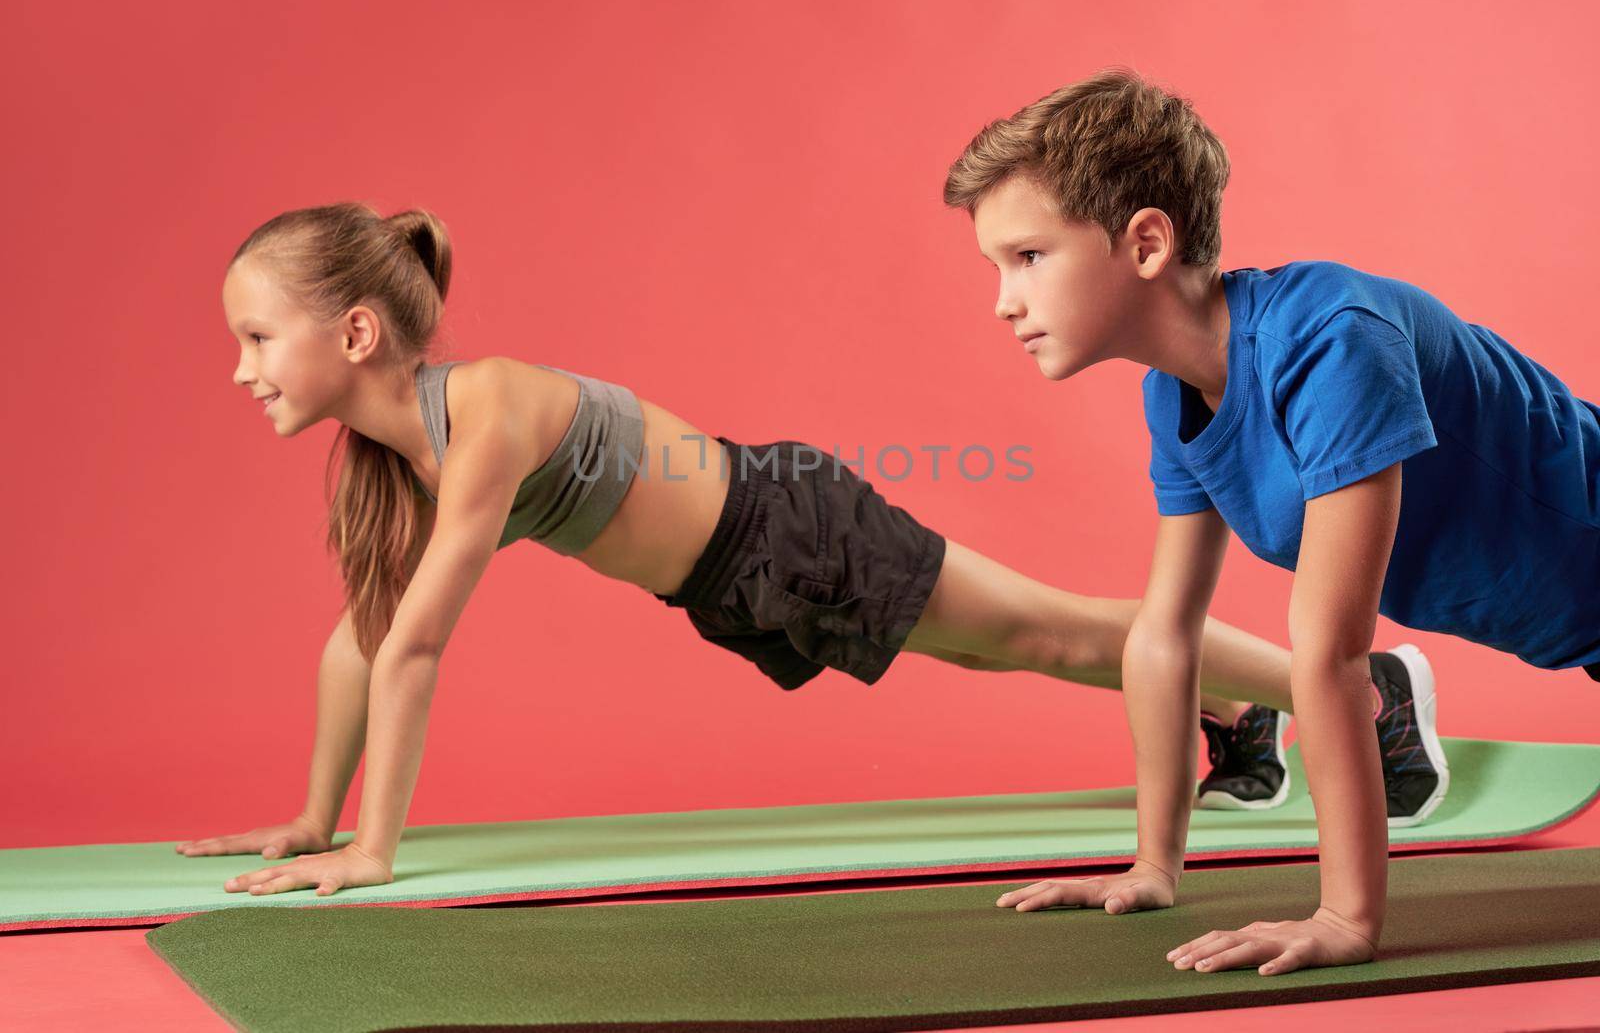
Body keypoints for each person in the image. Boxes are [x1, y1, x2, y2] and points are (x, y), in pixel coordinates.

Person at [183, 202, 1416, 896]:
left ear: (353, 330)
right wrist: (308, 817)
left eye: (256, 336)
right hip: (737, 579)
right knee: (1026, 643)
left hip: (785, 526)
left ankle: (1364, 690)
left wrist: (373, 847)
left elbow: (418, 644)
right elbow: (360, 644)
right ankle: (1244, 716)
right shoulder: (401, 461)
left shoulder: (489, 405)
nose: (240, 369)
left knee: (1044, 632)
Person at [942, 66, 1596, 976]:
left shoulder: (1333, 338)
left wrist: (1344, 919)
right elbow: (1166, 634)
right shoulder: (1175, 399)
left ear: (1145, 243)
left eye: (1029, 257)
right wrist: (1153, 865)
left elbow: (1330, 653)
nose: (1004, 300)